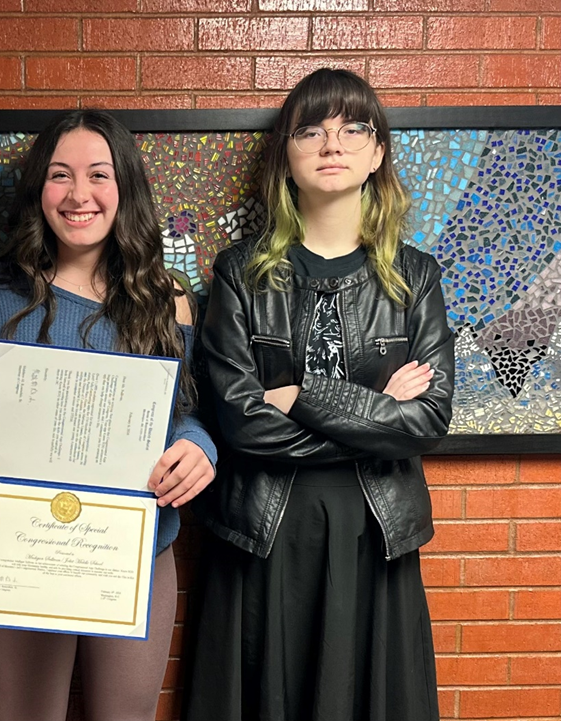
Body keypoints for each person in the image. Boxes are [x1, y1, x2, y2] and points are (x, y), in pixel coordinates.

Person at [184, 68, 455, 721]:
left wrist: (298, 392)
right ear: (285, 152)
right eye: (311, 129)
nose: (331, 143)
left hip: (374, 527)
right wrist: (374, 407)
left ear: (376, 151)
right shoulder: (240, 272)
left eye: (352, 127)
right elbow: (241, 423)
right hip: (264, 528)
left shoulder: (414, 276)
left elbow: (427, 420)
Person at [0, 109, 217, 721]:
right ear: (39, 188)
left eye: (98, 175)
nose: (78, 194)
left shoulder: (167, 299)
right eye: (60, 175)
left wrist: (200, 449)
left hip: (136, 549)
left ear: (126, 190)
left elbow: (187, 410)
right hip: (21, 549)